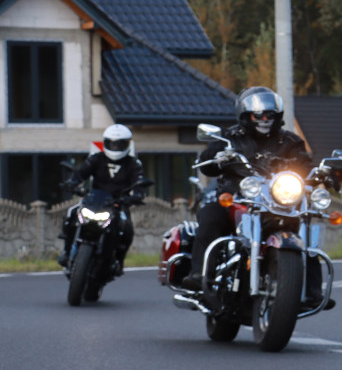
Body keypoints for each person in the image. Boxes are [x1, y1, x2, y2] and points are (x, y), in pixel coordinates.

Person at [180, 87, 321, 303]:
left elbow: (306, 165)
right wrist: (216, 156)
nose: (265, 119)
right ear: (246, 116)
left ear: (278, 116)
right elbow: (205, 164)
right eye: (259, 115)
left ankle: (312, 289)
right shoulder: (230, 137)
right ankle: (200, 274)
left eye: (270, 115)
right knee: (210, 215)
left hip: (277, 200)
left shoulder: (290, 141)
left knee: (306, 225)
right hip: (236, 196)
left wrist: (323, 174)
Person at [58, 124, 145, 276]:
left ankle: (118, 261)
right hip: (94, 200)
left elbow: (139, 183)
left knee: (127, 229)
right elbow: (80, 174)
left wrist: (136, 195)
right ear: (106, 143)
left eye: (119, 144)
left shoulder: (134, 164)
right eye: (112, 143)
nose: (115, 147)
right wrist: (72, 183)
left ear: (127, 144)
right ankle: (66, 252)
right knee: (71, 214)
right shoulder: (96, 159)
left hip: (118, 203)